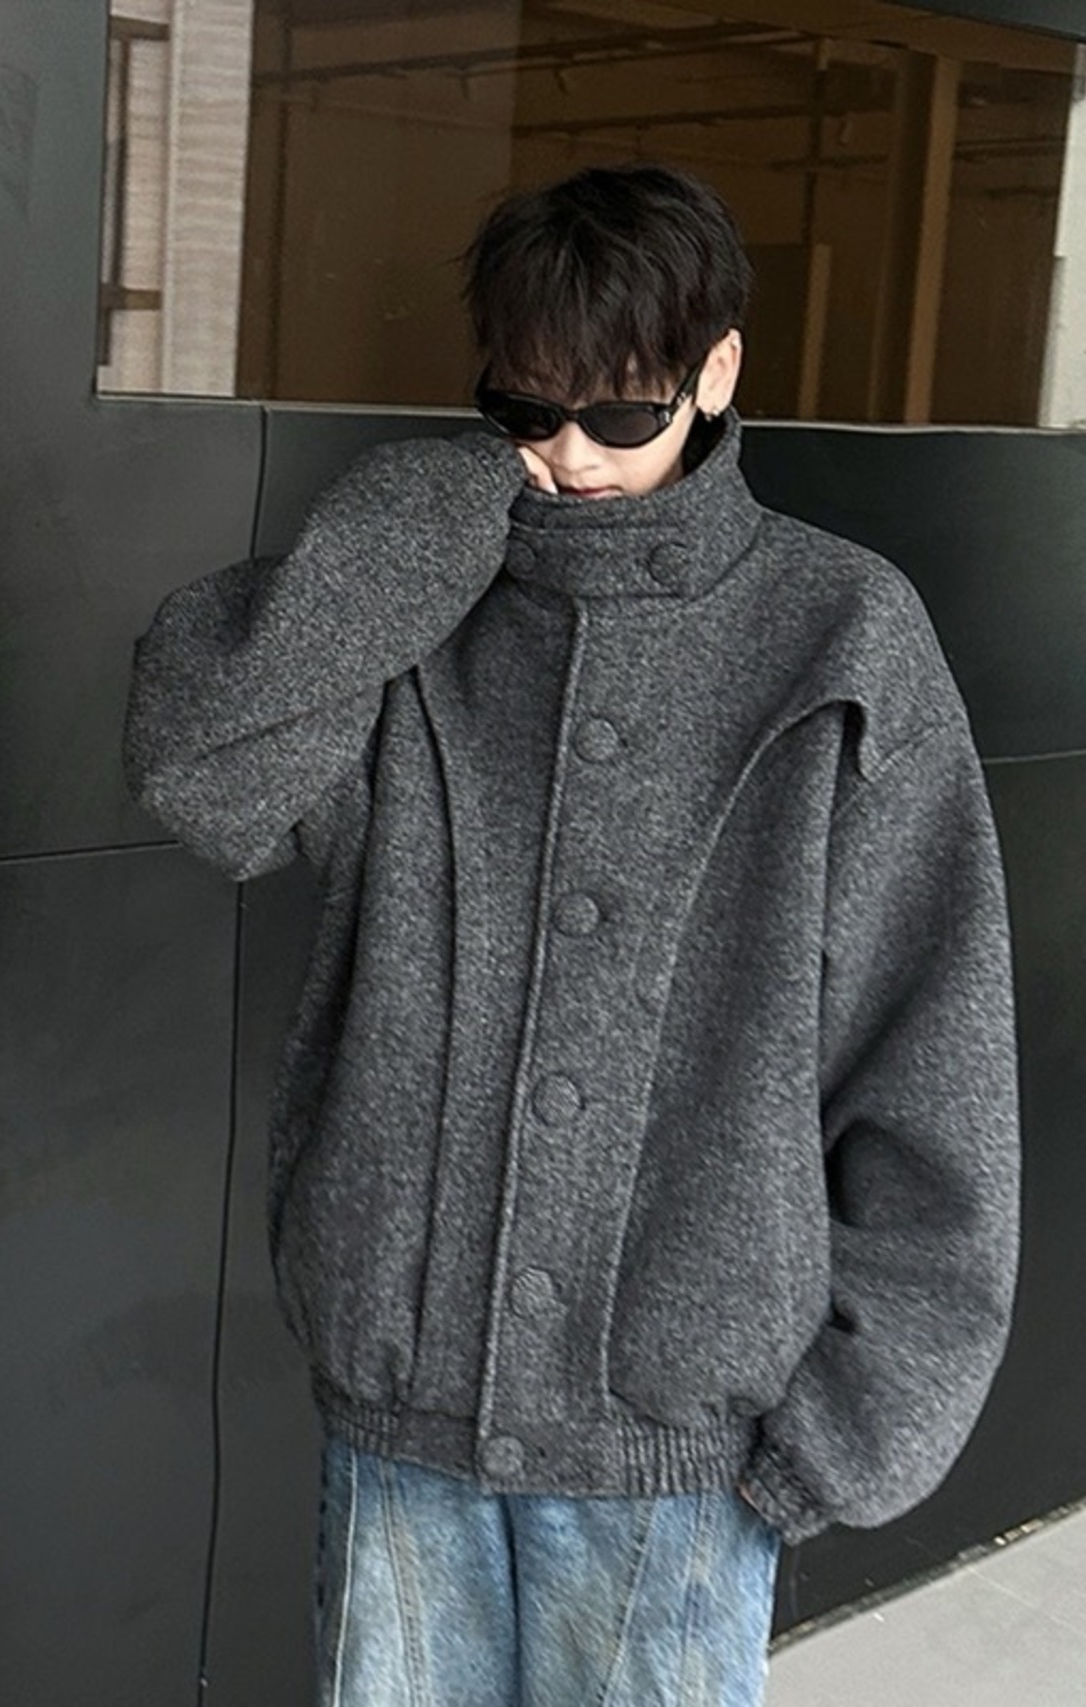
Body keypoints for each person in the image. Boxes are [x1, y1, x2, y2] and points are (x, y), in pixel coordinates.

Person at [123, 164, 1021, 1706]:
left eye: (620, 411)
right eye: (528, 411)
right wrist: (413, 528)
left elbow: (933, 1041)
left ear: (716, 371)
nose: (572, 457)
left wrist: (852, 1425)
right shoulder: (425, 604)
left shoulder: (840, 631)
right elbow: (202, 772)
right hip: (404, 1410)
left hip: (681, 1449)